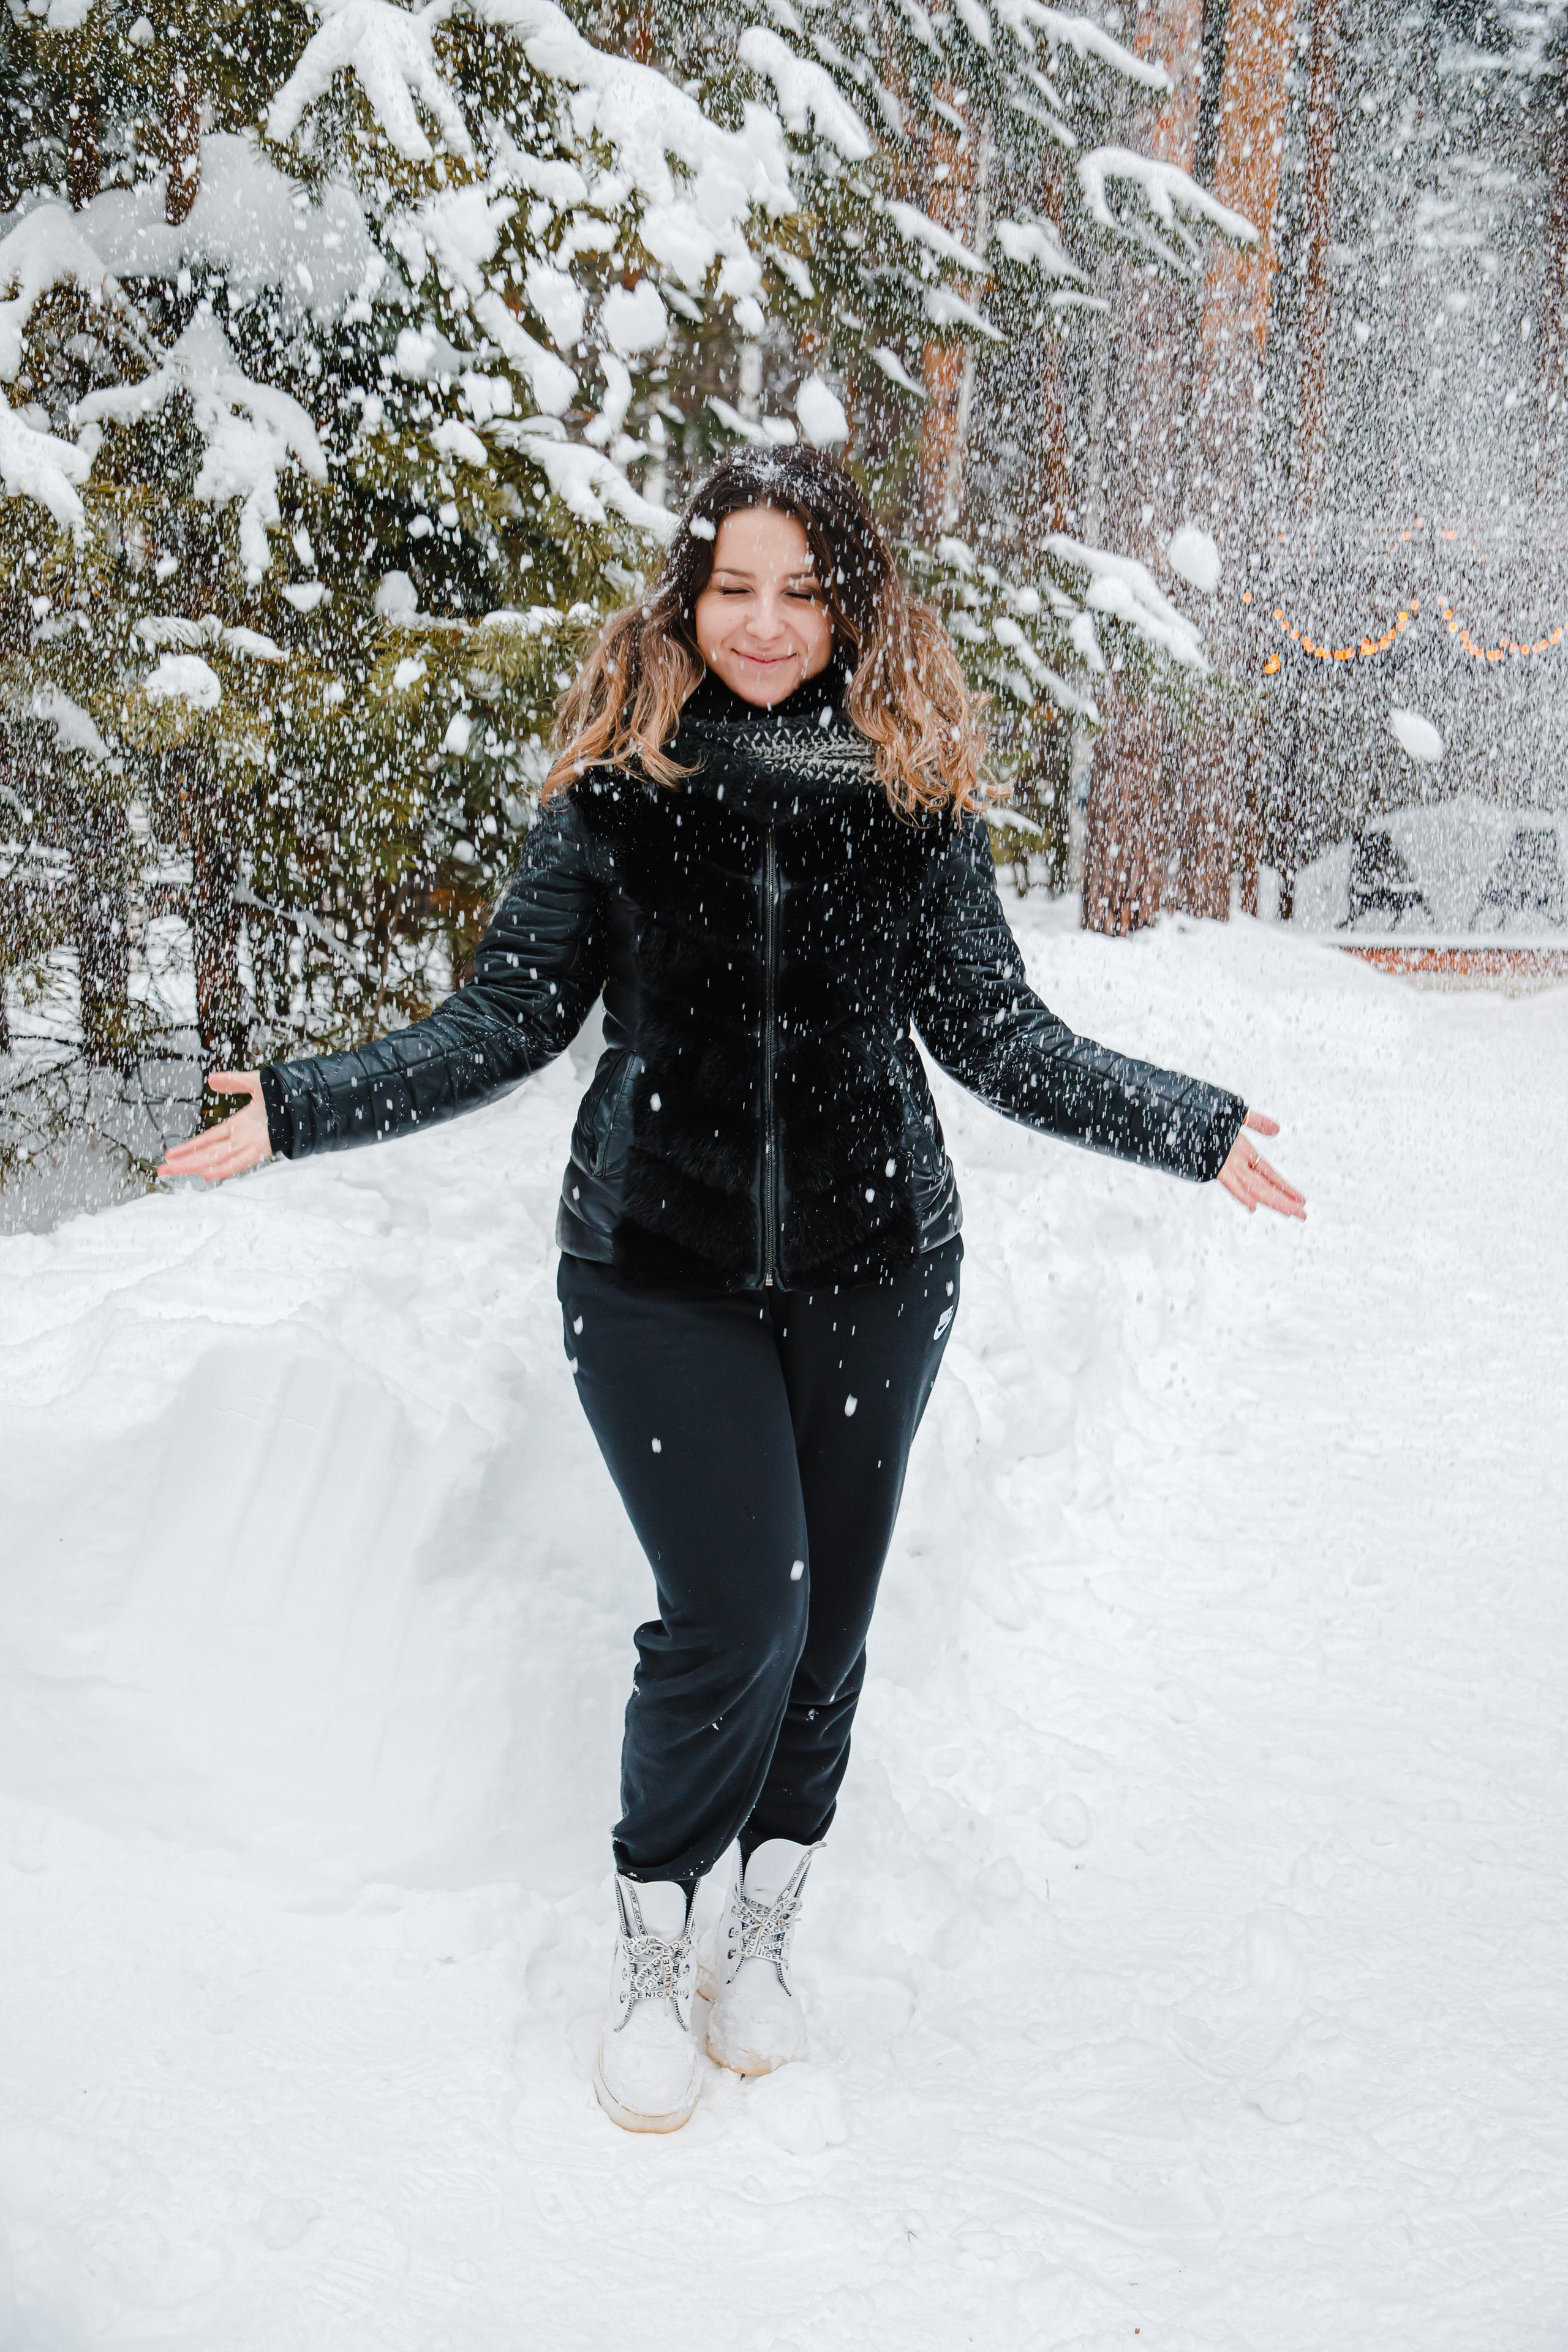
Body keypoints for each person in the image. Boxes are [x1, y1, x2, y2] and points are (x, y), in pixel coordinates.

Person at [160, 446, 1305, 2135]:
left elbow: (999, 1038)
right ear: (689, 598)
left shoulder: (912, 804)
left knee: (828, 1630)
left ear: (851, 606)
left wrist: (1190, 1128)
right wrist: (306, 1105)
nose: (764, 624)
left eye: (801, 589)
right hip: (655, 1274)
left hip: (879, 1269)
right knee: (739, 1617)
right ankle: (654, 1931)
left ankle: (764, 1924)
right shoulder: (618, 794)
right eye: (733, 586)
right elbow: (505, 1022)